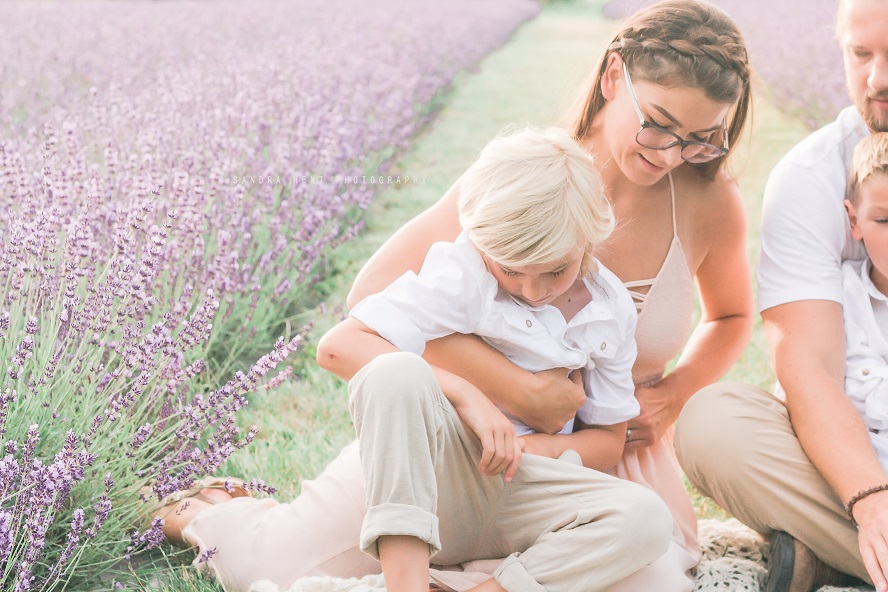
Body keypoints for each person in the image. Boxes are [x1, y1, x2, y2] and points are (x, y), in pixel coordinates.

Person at [152, 1, 754, 591]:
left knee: (643, 575)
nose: (672, 152)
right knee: (277, 566)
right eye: (659, 123)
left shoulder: (706, 201)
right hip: (452, 438)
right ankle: (215, 513)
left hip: (590, 464)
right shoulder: (522, 179)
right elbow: (369, 303)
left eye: (701, 139)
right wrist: (512, 389)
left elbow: (731, 315)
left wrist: (672, 394)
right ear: (614, 74)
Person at [314, 125, 672, 592]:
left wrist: (526, 451)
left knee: (645, 518)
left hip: (530, 486)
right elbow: (339, 346)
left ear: (587, 238)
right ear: (483, 243)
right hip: (440, 478)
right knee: (394, 372)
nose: (532, 290)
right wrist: (468, 397)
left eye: (555, 271)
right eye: (511, 270)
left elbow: (608, 440)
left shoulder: (610, 309)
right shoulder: (465, 273)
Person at [674, 1, 888, 591]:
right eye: (861, 53)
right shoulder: (811, 175)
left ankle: (830, 557)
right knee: (712, 423)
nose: (879, 80)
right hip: (848, 457)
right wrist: (872, 500)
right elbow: (808, 370)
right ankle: (867, 542)